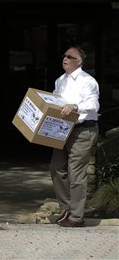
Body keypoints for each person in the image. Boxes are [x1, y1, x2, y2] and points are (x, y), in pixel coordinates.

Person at [50, 46, 100, 227]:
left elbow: (93, 104)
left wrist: (75, 107)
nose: (65, 59)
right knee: (56, 168)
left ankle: (77, 217)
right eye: (64, 55)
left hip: (83, 130)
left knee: (76, 172)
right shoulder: (60, 80)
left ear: (79, 62)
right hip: (62, 129)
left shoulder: (88, 81)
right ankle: (67, 209)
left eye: (69, 57)